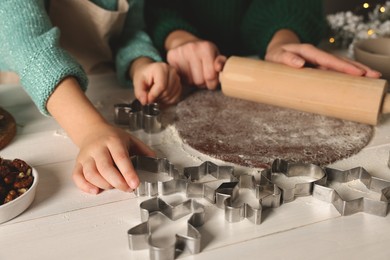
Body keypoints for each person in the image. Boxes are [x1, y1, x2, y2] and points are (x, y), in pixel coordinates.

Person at [0, 0, 182, 194]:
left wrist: (141, 63)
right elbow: (28, 46)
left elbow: (129, 35)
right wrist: (89, 129)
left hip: (105, 88)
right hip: (33, 105)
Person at [145, 0, 381, 90]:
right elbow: (145, 9)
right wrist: (176, 37)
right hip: (160, 70)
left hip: (262, 55)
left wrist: (283, 37)